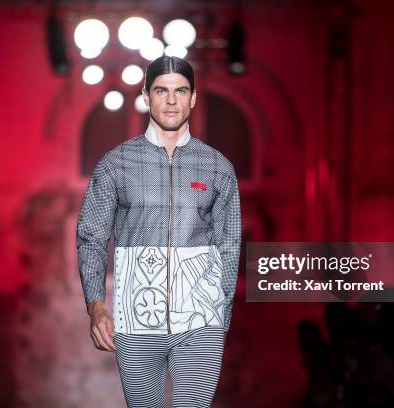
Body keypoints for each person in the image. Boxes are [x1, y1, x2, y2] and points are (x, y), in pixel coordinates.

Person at [77, 55, 242, 407]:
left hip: (201, 321)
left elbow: (229, 245)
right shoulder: (115, 164)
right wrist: (96, 306)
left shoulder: (217, 167)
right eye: (161, 91)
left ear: (193, 97)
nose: (171, 100)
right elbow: (91, 236)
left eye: (180, 91)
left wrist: (220, 319)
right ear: (146, 95)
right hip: (135, 322)